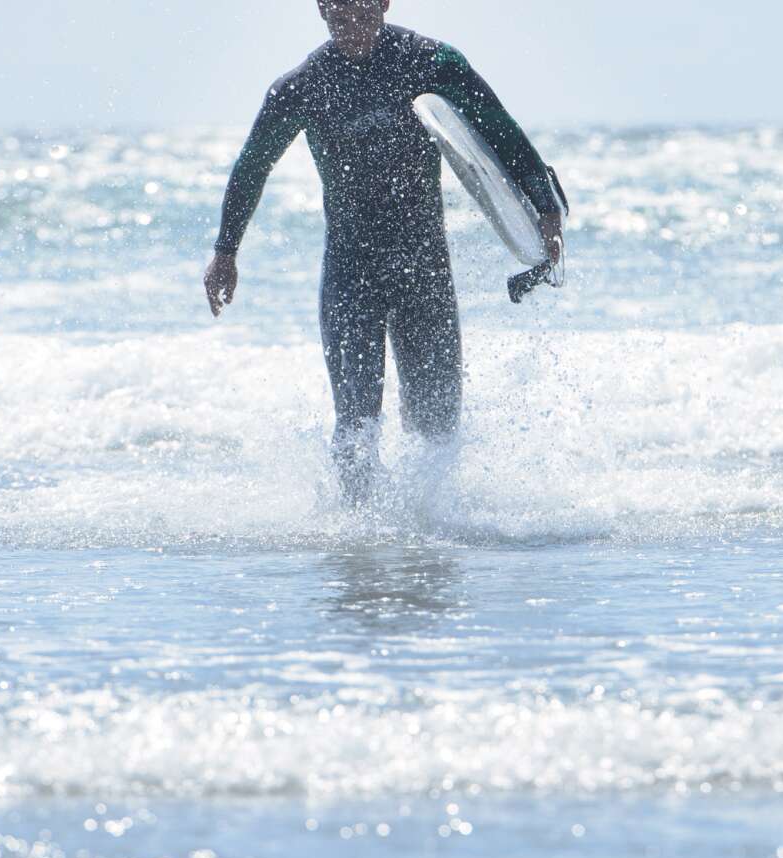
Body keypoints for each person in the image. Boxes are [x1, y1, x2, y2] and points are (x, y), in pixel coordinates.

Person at [203, 0, 565, 504]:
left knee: (436, 424)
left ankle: (430, 538)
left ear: (383, 3)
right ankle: (359, 550)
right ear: (321, 9)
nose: (350, 23)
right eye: (338, 12)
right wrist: (226, 251)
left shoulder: (430, 62)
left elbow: (498, 130)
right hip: (351, 270)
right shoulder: (302, 86)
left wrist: (544, 206)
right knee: (356, 423)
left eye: (361, 10)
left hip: (424, 267)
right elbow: (252, 165)